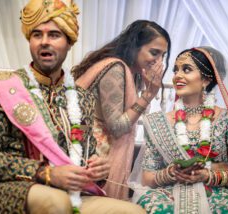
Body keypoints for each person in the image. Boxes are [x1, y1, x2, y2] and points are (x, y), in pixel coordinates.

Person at [0, 0, 145, 213]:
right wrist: (46, 173)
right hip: (6, 187)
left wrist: (97, 170)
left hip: (69, 193)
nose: (44, 42)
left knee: (131, 211)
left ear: (69, 42)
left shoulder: (81, 98)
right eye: (36, 35)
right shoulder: (1, 87)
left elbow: (84, 156)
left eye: (53, 35)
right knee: (55, 202)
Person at [129, 46, 228, 213]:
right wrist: (170, 173)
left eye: (186, 69)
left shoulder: (225, 118)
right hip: (171, 193)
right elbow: (147, 178)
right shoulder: (158, 122)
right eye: (175, 70)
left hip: (221, 191)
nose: (177, 76)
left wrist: (210, 176)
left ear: (206, 80)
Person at [72, 20, 171, 200]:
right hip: (93, 160)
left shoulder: (130, 72)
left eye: (163, 56)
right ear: (135, 46)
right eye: (154, 53)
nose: (159, 62)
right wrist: (148, 95)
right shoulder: (115, 68)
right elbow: (117, 127)